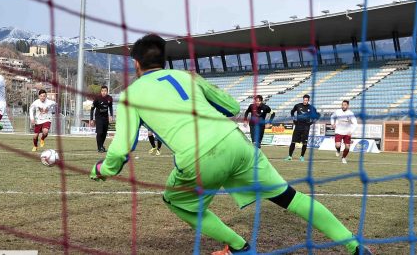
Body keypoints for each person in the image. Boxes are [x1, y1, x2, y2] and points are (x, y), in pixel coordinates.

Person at [90, 34, 371, 255]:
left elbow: (121, 149)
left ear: (136, 65)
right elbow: (232, 105)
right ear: (163, 61)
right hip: (236, 143)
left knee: (177, 202)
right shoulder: (187, 77)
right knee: (290, 198)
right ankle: (354, 246)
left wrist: (102, 169)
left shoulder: (130, 95)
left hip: (198, 156)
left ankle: (239, 247)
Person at [286, 94, 319, 162]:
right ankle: (289, 156)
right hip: (298, 126)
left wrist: (312, 122)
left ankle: (302, 156)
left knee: (304, 143)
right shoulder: (298, 105)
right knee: (293, 142)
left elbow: (317, 115)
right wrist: (293, 119)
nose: (305, 101)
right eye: (304, 100)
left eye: (306, 100)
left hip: (306, 127)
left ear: (308, 100)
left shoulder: (311, 108)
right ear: (303, 99)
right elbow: (292, 112)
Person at [331, 100, 358, 164]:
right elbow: (332, 117)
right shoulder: (337, 112)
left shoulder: (350, 113)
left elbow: (355, 123)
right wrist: (332, 123)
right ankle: (338, 150)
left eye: (345, 105)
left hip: (347, 132)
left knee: (347, 147)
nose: (343, 106)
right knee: (337, 145)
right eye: (342, 105)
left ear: (348, 106)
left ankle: (344, 157)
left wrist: (351, 131)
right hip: (338, 131)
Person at [89, 85, 113, 153]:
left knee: (104, 133)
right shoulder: (97, 98)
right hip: (98, 117)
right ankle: (99, 148)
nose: (104, 92)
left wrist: (111, 115)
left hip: (106, 117)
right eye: (102, 91)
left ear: (107, 91)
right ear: (101, 91)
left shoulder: (109, 98)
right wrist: (91, 119)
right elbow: (92, 109)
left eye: (105, 91)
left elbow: (110, 107)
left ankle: (101, 146)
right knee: (99, 133)